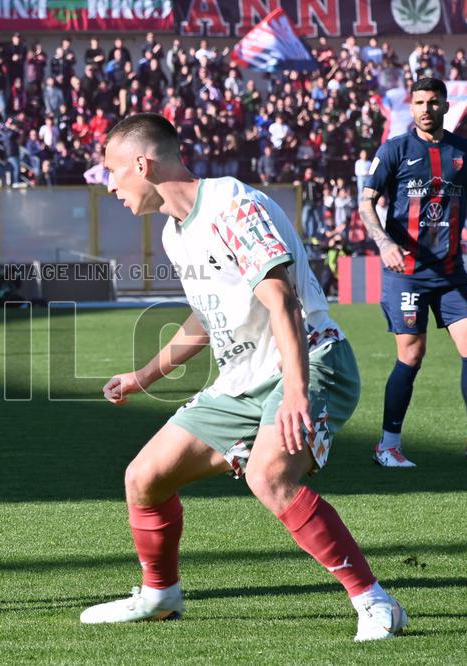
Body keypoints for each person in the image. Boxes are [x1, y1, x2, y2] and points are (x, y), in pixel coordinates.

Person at [82, 113, 406, 642]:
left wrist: (297, 394)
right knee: (143, 478)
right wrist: (144, 376)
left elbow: (282, 302)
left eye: (113, 172)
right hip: (244, 378)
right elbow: (205, 320)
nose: (111, 185)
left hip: (312, 360)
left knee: (268, 477)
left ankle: (374, 601)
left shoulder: (234, 205)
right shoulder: (173, 234)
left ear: (142, 164)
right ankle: (160, 596)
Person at [360, 77, 467, 468]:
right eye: (419, 102)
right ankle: (387, 446)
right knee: (412, 354)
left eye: (434, 102)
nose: (426, 108)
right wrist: (384, 243)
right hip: (407, 272)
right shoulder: (394, 149)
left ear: (446, 106)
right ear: (410, 108)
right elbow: (366, 204)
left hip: (451, 271)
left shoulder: (465, 151)